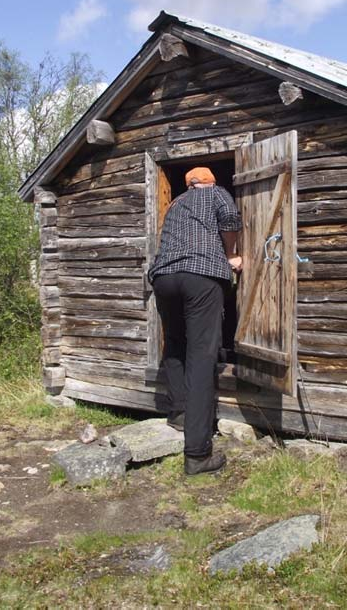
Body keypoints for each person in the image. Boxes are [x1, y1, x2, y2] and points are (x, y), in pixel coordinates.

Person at [148, 167, 242, 475]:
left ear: (188, 185)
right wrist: (230, 254)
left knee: (175, 344)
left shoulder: (175, 204)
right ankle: (198, 454)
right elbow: (230, 220)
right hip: (201, 275)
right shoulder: (217, 194)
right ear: (209, 182)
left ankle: (178, 413)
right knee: (202, 356)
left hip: (164, 277)